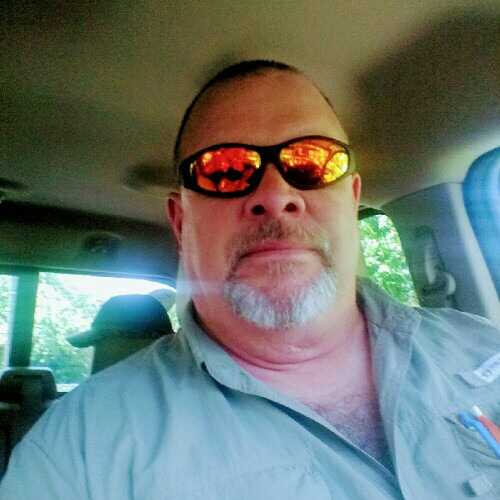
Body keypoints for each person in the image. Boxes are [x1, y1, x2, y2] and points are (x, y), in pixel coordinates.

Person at [1, 60, 500, 499]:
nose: (276, 194)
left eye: (311, 160)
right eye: (225, 169)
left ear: (351, 199)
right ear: (181, 222)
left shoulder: (483, 347)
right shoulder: (77, 452)